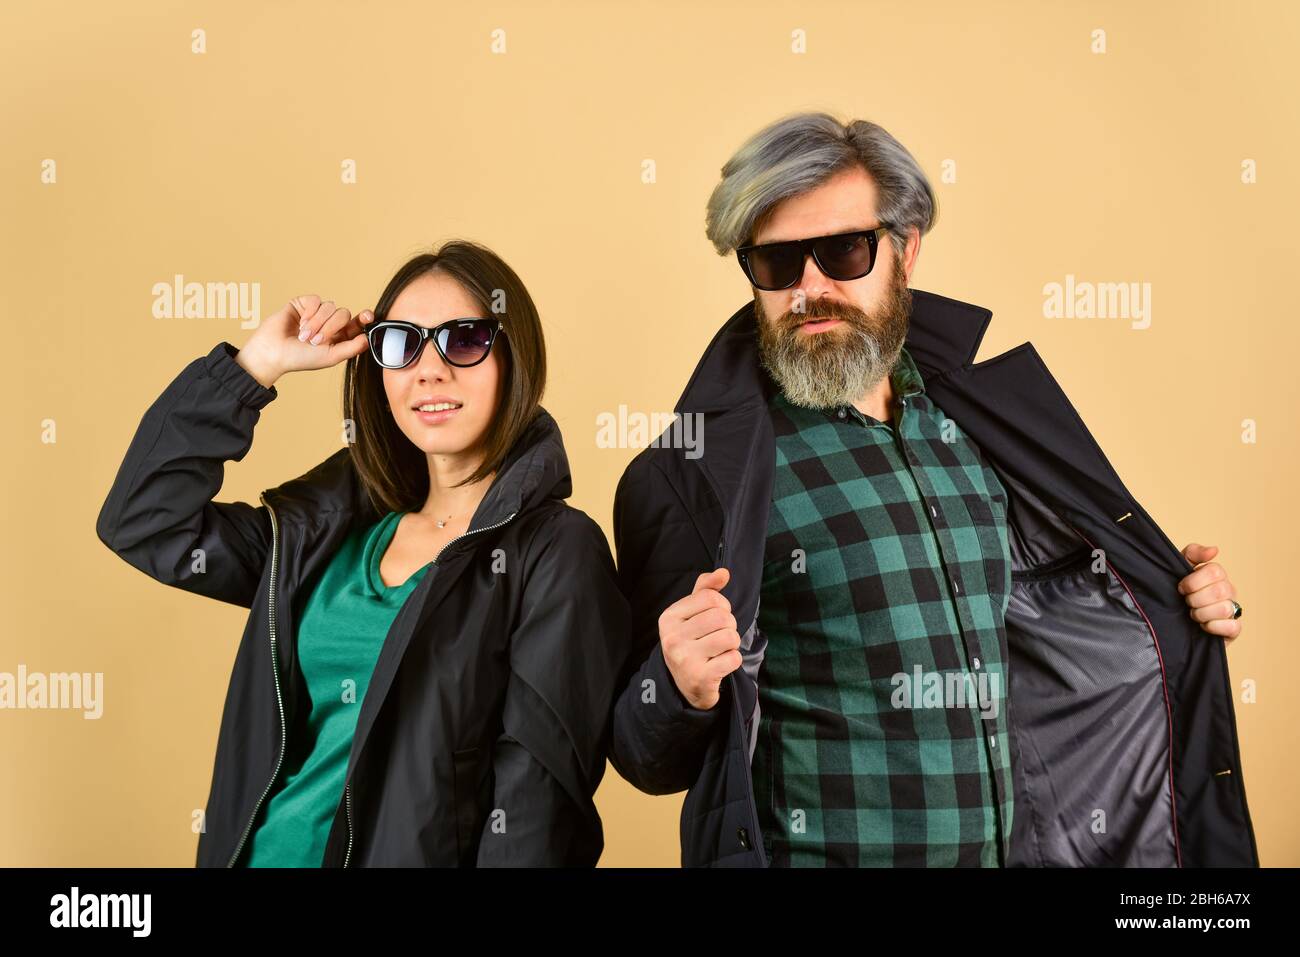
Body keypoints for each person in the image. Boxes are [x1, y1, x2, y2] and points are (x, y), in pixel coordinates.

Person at [608, 112, 1254, 867]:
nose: (810, 289)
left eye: (845, 250)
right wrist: (677, 681)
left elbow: (1059, 608)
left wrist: (1171, 596)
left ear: (905, 250)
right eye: (778, 264)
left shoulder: (980, 418)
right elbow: (641, 755)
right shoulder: (687, 475)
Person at [97, 239, 630, 866]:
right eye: (402, 343)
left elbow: (537, 807)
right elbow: (144, 522)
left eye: (463, 339)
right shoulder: (324, 532)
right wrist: (252, 368)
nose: (429, 369)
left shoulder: (556, 553)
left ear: (514, 357)